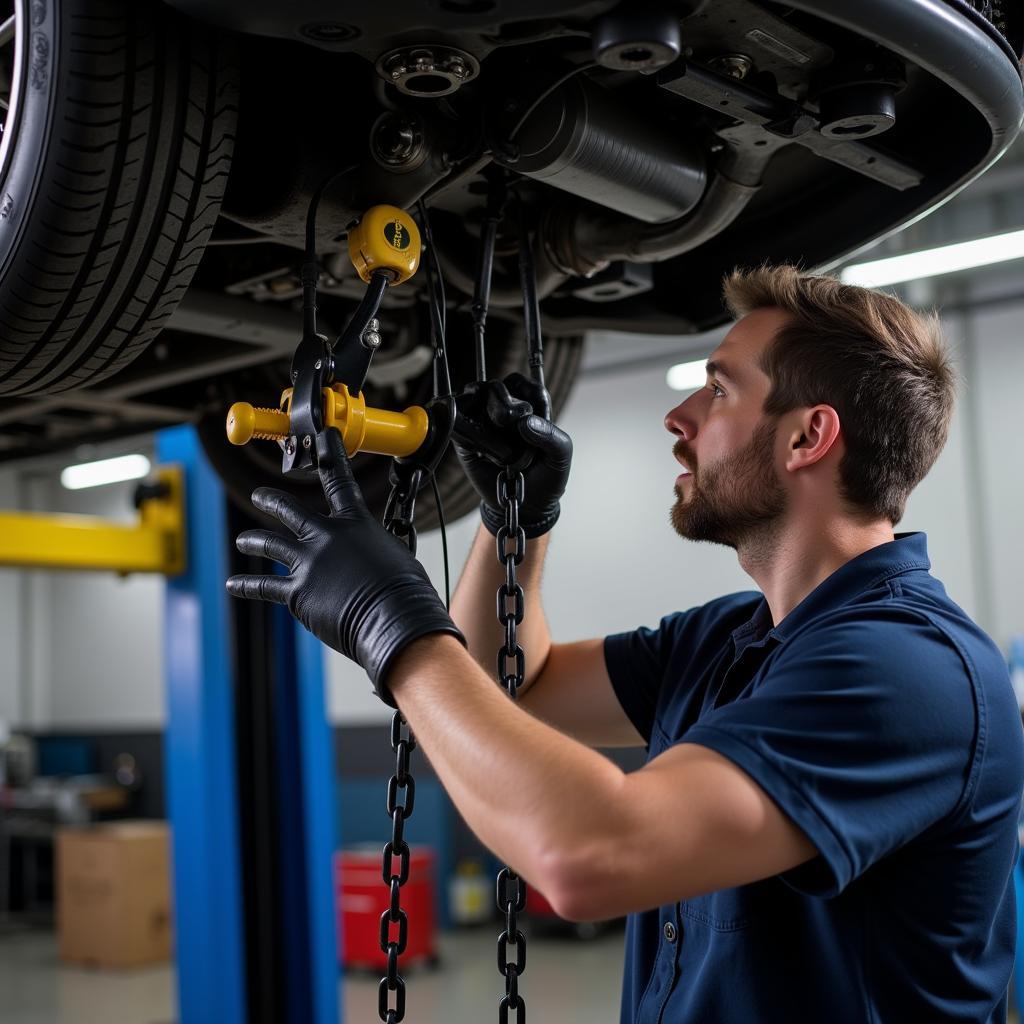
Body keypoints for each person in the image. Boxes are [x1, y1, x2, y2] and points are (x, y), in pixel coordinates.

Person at [226, 265, 1024, 1023]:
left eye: (717, 390)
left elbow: (588, 857)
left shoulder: (907, 670)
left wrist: (390, 625)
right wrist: (515, 524)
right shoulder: (729, 637)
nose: (680, 420)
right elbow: (509, 688)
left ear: (807, 437)